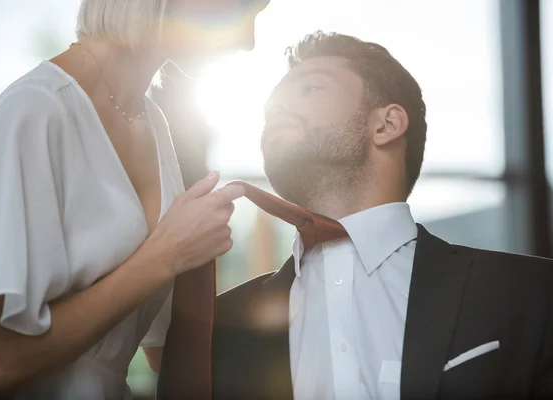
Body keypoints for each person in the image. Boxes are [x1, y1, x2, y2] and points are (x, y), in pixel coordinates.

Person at [165, 31, 553, 399]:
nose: (275, 109)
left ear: (387, 124)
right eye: (269, 107)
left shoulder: (533, 294)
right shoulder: (217, 326)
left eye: (310, 87)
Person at [0, 0, 270, 398]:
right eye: (242, 8)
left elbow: (157, 352)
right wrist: (165, 255)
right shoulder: (37, 109)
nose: (249, 41)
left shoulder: (153, 122)